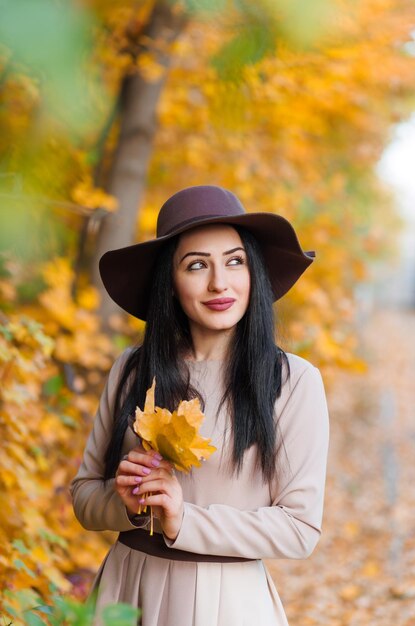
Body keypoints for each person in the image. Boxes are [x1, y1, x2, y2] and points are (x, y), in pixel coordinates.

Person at [70, 185, 329, 626]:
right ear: (169, 283)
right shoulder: (133, 369)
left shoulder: (292, 380)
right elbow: (83, 496)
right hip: (125, 593)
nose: (219, 283)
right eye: (196, 265)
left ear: (254, 273)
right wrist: (129, 505)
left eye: (235, 261)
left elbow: (299, 530)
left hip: (225, 603)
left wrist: (183, 519)